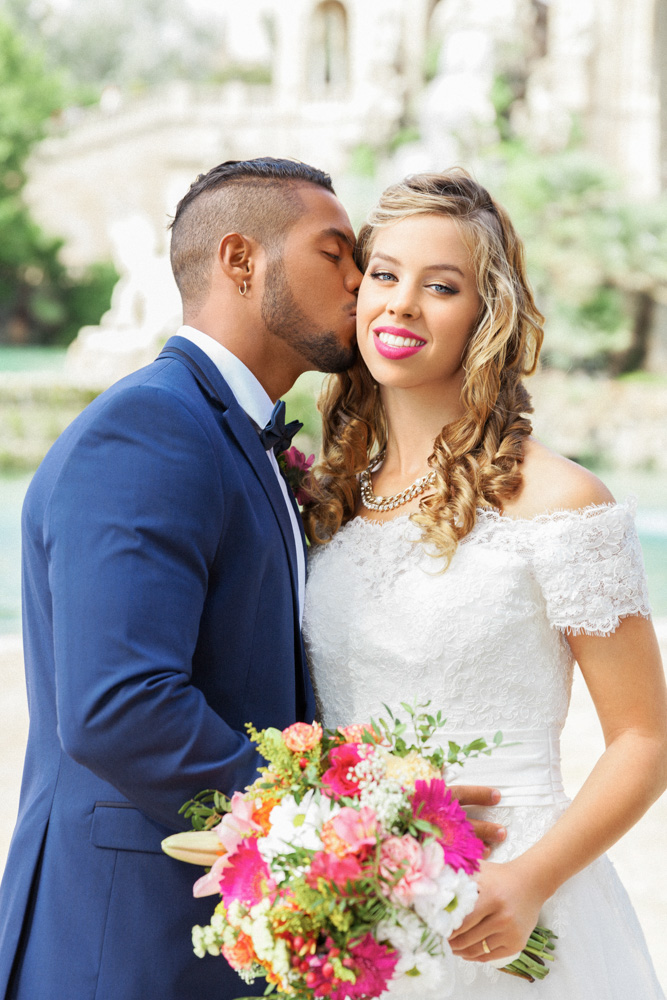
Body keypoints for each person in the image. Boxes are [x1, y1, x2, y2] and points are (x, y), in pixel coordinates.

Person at [0, 158, 503, 1000]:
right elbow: (119, 708)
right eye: (338, 254)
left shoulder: (236, 434)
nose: (362, 284)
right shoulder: (150, 429)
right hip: (126, 942)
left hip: (221, 936)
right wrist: (349, 833)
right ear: (241, 261)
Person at [303, 168, 667, 997]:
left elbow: (645, 742)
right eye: (385, 275)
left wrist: (531, 880)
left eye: (441, 286)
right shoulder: (326, 497)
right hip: (351, 902)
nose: (400, 304)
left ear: (486, 315)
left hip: (507, 900)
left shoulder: (561, 501)